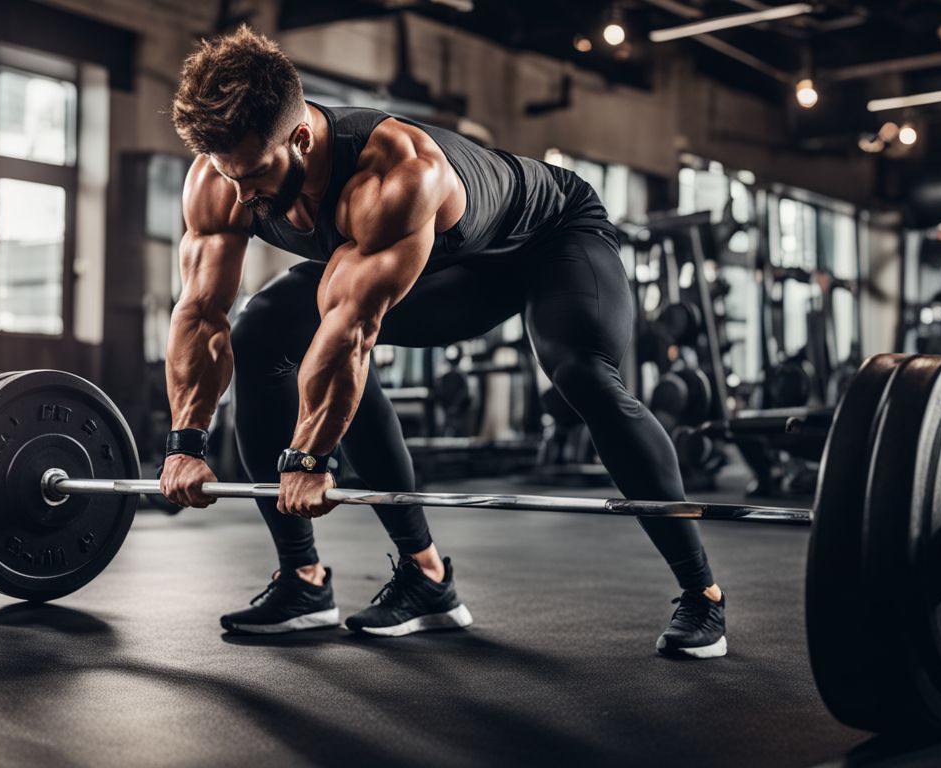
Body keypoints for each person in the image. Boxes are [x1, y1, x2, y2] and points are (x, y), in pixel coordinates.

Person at [158, 26, 726, 657]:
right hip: (442, 272)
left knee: (583, 374)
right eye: (227, 173)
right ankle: (335, 579)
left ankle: (702, 594)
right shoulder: (223, 179)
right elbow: (201, 313)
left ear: (298, 139)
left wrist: (311, 459)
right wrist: (186, 443)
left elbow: (349, 334)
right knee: (261, 329)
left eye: (255, 173)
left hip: (549, 242)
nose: (241, 196)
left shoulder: (393, 176)